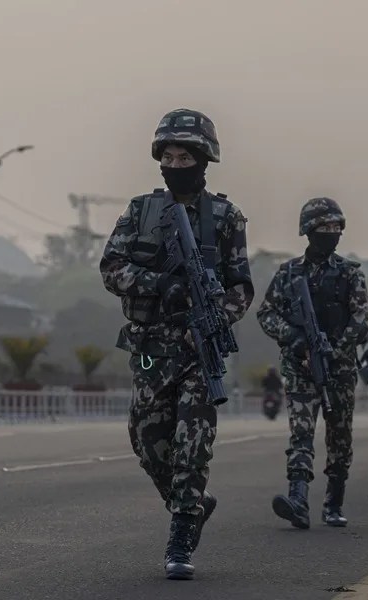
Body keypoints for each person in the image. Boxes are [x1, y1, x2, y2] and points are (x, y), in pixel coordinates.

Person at [100, 108, 253, 580]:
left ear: (203, 160)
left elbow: (241, 287)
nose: (175, 164)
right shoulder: (140, 211)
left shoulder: (225, 217)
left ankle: (182, 536)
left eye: (184, 156)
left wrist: (213, 319)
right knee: (147, 442)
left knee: (193, 443)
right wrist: (157, 283)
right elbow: (111, 269)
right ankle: (192, 503)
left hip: (197, 350)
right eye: (167, 156)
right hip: (151, 349)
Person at [256, 197, 368, 528]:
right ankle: (298, 499)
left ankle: (333, 503)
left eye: (336, 227)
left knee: (340, 437)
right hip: (300, 368)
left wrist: (335, 349)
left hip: (340, 369)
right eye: (324, 227)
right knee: (301, 432)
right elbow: (266, 313)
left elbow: (361, 320)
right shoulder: (289, 273)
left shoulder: (350, 273)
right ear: (308, 230)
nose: (331, 233)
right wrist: (294, 338)